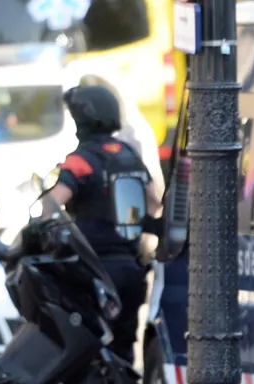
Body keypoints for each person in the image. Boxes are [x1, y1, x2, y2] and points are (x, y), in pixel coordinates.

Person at [38, 84, 163, 364]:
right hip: (133, 269)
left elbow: (53, 203)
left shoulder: (82, 160)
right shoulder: (128, 154)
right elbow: (154, 202)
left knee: (91, 345)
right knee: (125, 345)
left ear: (82, 119)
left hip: (95, 270)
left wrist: (41, 222)